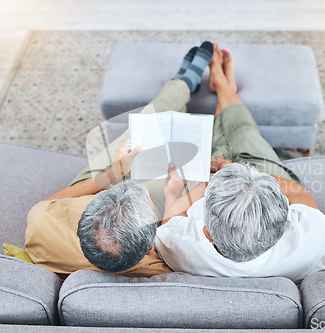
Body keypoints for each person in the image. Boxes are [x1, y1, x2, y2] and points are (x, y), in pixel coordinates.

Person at [25, 41, 216, 277]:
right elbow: (170, 237)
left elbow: (49, 205)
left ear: (88, 212)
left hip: (96, 187)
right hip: (150, 213)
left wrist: (115, 173)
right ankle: (186, 85)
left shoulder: (39, 227)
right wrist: (172, 198)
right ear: (149, 249)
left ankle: (183, 82)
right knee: (197, 162)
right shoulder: (155, 267)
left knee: (148, 123)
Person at [155, 43, 325, 283]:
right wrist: (247, 174)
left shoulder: (182, 250)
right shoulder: (314, 241)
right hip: (266, 177)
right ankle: (223, 88)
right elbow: (302, 196)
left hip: (231, 186)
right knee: (245, 133)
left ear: (207, 234)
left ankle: (223, 88)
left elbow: (169, 223)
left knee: (221, 143)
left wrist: (177, 191)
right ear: (283, 224)